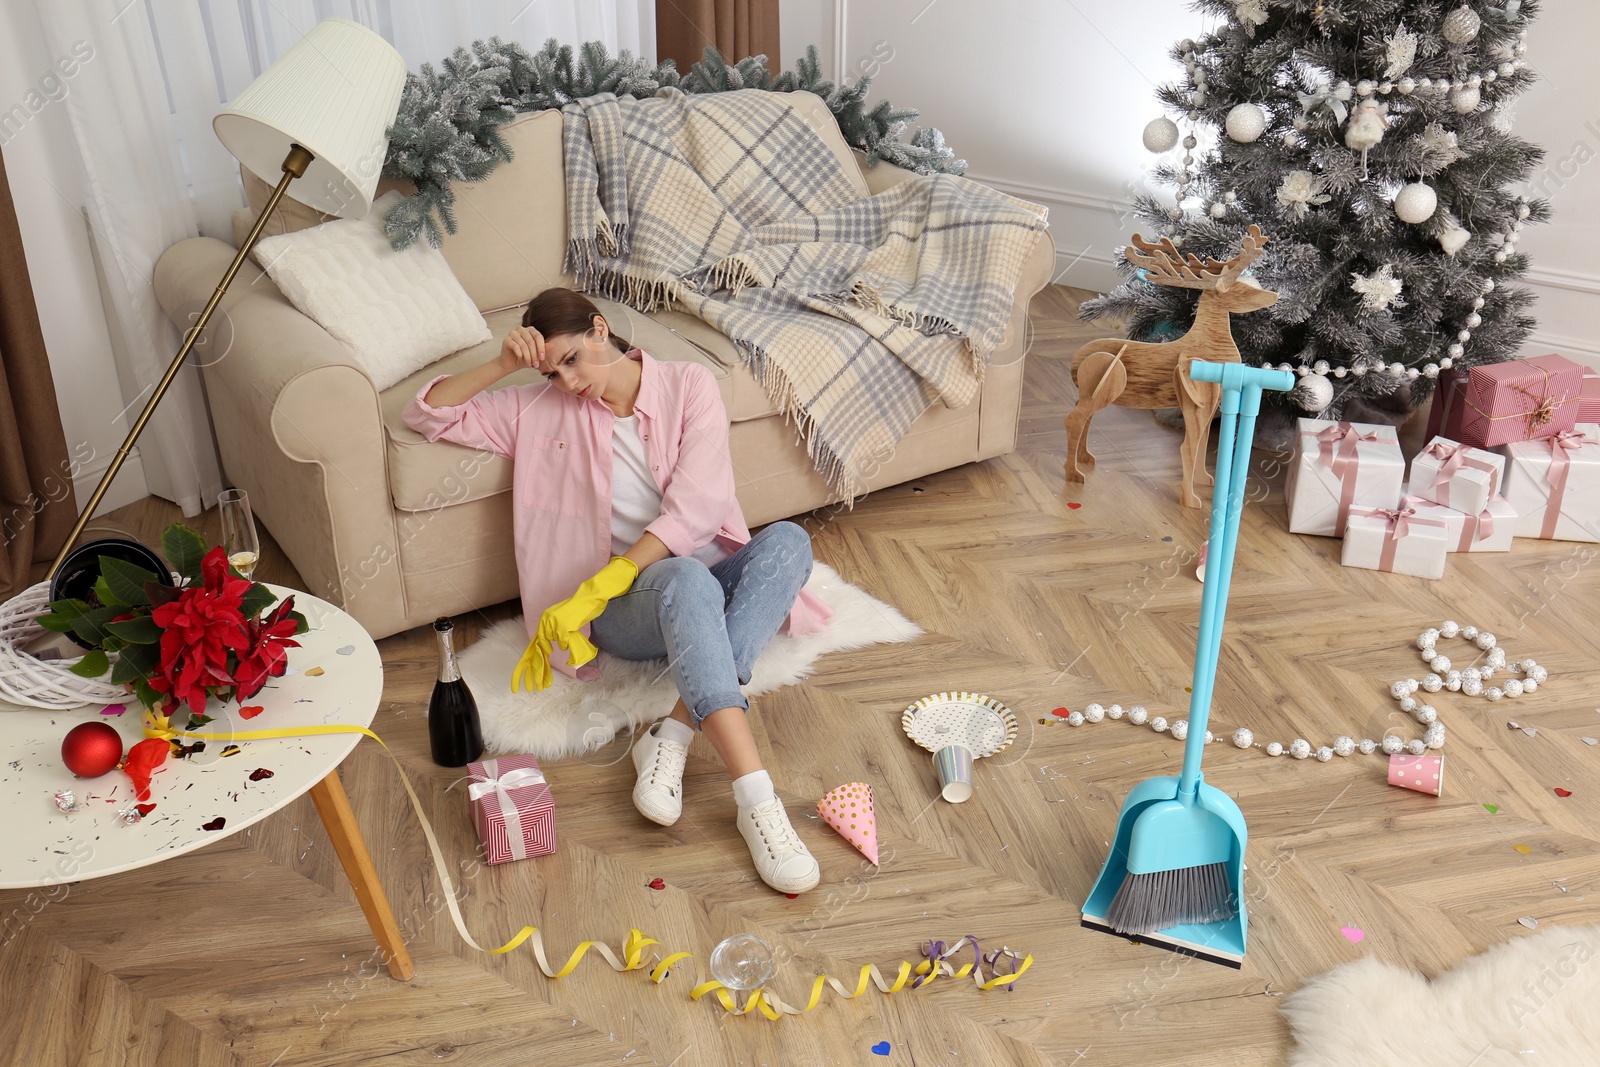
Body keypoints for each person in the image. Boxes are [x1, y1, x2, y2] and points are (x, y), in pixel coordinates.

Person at [402, 288, 832, 894]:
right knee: (683, 578)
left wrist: (620, 566)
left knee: (788, 541)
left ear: (601, 330)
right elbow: (427, 413)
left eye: (573, 359)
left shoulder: (690, 385)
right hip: (623, 611)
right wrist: (504, 365)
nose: (568, 381)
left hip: (692, 577)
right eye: (552, 372)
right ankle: (757, 803)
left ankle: (674, 733)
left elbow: (702, 506)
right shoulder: (536, 408)